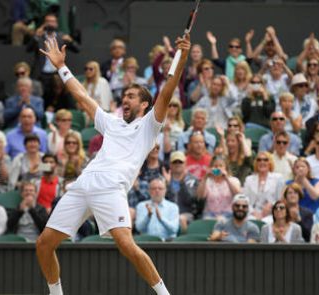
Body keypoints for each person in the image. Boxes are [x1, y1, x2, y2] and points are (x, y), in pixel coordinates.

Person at [35, 34, 191, 295]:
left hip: (111, 189)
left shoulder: (150, 125)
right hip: (84, 184)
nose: (125, 99)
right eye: (124, 96)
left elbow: (168, 87)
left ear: (144, 104)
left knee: (127, 245)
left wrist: (181, 55)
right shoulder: (111, 122)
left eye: (131, 96)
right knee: (43, 244)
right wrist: (61, 66)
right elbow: (82, 96)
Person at [26, 12, 80, 107]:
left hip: (57, 73)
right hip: (42, 73)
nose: (50, 24)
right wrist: (36, 36)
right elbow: (28, 49)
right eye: (48, 21)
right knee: (41, 97)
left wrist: (70, 40)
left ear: (56, 24)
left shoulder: (61, 37)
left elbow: (77, 49)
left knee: (60, 98)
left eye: (53, 21)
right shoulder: (39, 36)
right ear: (44, 23)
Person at [162, 151, 199, 232]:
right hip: (167, 213)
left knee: (181, 218)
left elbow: (190, 201)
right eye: (175, 162)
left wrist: (182, 183)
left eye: (180, 162)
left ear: (185, 164)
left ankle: (183, 242)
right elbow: (162, 200)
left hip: (186, 213)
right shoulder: (163, 179)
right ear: (170, 165)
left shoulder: (193, 180)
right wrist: (167, 185)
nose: (177, 164)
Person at [243, 152, 285, 219]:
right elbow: (245, 199)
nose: (262, 162)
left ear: (270, 162)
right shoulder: (249, 179)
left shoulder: (278, 178)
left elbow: (280, 199)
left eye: (265, 160)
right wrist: (253, 212)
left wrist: (272, 205)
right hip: (252, 213)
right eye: (259, 160)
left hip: (272, 213)